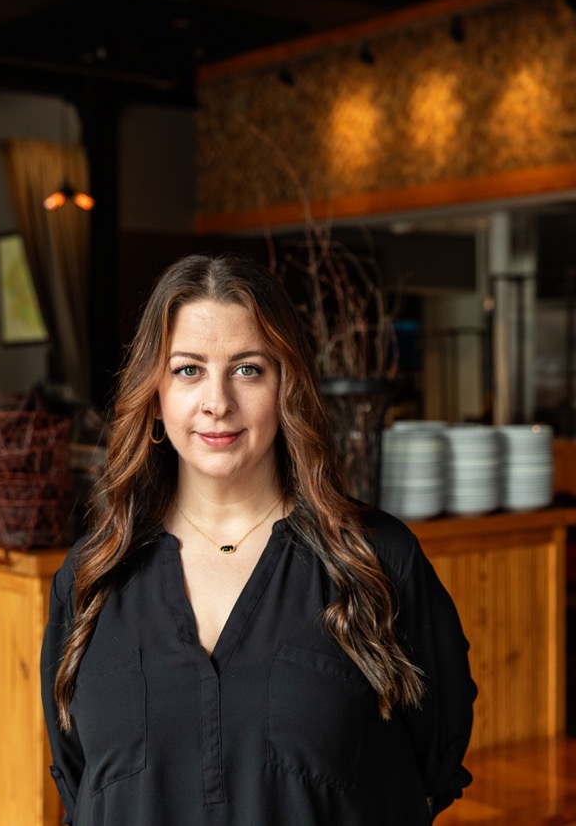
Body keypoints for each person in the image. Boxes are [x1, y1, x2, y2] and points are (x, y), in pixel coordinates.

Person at [41, 254, 476, 825]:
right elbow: (80, 781)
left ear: (286, 386)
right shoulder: (92, 578)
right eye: (187, 370)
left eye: (247, 369)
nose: (217, 402)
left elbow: (429, 762)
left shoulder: (376, 562)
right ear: (154, 397)